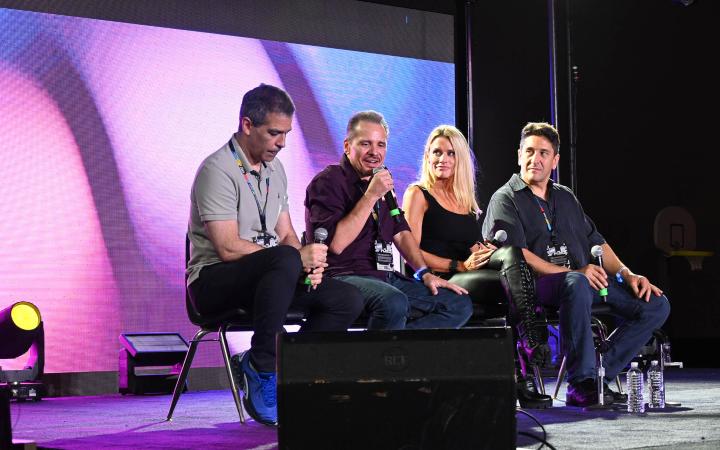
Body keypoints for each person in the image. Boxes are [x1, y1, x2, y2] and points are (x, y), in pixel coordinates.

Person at [187, 84, 364, 426]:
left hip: (269, 276)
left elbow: (285, 233)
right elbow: (226, 246)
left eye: (286, 134)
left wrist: (307, 260)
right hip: (213, 281)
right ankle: (262, 366)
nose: (281, 142)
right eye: (274, 133)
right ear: (247, 125)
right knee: (284, 258)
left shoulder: (275, 170)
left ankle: (286, 369)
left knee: (346, 299)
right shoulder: (217, 169)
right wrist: (294, 258)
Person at [482, 122, 670, 407]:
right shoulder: (505, 198)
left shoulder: (565, 196)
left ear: (555, 160)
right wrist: (573, 272)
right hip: (539, 287)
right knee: (577, 282)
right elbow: (516, 255)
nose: (536, 159)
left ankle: (599, 374)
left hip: (583, 282)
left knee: (655, 304)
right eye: (529, 151)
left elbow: (597, 241)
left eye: (544, 153)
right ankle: (580, 384)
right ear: (519, 154)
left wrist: (627, 273)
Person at [402, 124, 552, 409]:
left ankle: (521, 367)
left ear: (459, 159)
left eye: (450, 153)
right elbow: (412, 251)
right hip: (444, 276)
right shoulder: (418, 194)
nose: (442, 159)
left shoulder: (463, 199)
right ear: (427, 156)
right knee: (511, 275)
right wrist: (458, 263)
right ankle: (528, 353)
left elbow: (471, 246)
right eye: (436, 152)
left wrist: (484, 252)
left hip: (468, 269)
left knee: (511, 259)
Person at [304, 111, 473, 330]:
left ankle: (397, 352)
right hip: (342, 277)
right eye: (366, 144)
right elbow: (336, 244)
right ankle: (380, 359)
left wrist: (425, 273)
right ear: (347, 146)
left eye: (381, 145)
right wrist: (370, 196)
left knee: (458, 304)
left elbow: (401, 232)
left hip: (383, 277)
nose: (374, 152)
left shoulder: (381, 181)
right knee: (393, 301)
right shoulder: (329, 182)